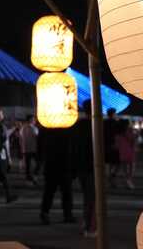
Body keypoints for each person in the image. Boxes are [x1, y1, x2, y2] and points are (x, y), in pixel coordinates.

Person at [39, 127, 76, 225]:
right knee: (64, 192)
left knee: (50, 192)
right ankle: (67, 214)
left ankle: (46, 213)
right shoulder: (68, 132)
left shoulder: (48, 132)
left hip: (54, 167)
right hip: (62, 167)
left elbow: (42, 149)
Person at [72, 100, 96, 238]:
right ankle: (88, 226)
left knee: (87, 196)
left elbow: (74, 147)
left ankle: (86, 223)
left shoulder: (78, 125)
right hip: (92, 165)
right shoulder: (96, 125)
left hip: (80, 165)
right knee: (91, 197)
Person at [115, 119, 136, 189]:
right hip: (130, 151)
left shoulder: (118, 133)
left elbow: (117, 144)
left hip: (122, 152)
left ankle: (127, 180)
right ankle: (129, 180)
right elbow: (133, 140)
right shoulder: (129, 131)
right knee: (131, 167)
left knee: (124, 168)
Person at [20, 115, 40, 185]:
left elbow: (21, 139)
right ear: (30, 120)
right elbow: (37, 137)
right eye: (34, 119)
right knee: (38, 163)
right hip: (34, 149)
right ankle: (34, 177)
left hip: (26, 149)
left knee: (28, 165)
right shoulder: (34, 128)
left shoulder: (23, 128)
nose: (35, 120)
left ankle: (29, 178)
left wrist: (22, 149)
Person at [104, 108, 120, 187]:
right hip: (114, 145)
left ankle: (109, 178)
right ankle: (111, 177)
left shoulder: (104, 123)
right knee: (116, 163)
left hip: (105, 145)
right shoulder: (116, 123)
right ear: (113, 114)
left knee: (108, 163)